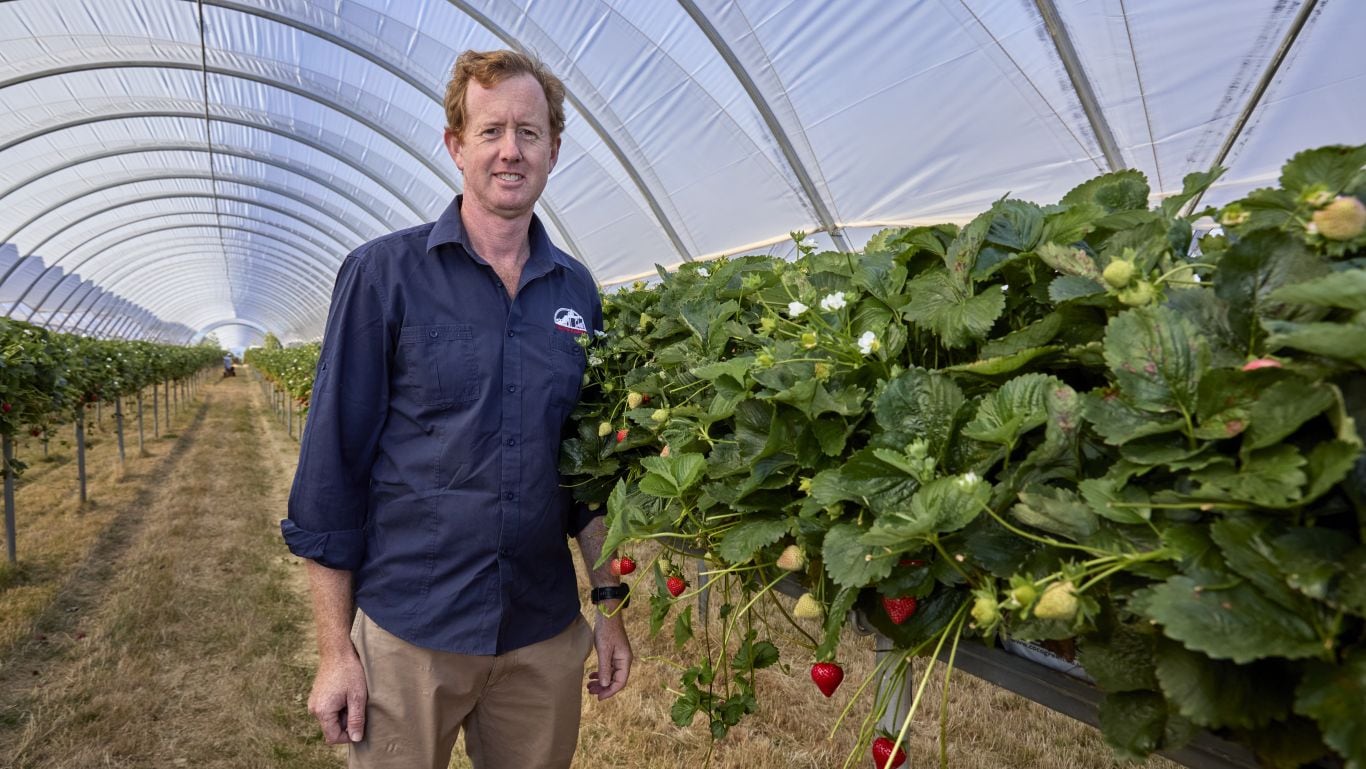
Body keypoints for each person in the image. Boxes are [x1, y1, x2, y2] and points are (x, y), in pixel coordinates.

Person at [281, 49, 631, 769]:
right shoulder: (384, 276)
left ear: (553, 150)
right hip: (412, 629)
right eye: (492, 130)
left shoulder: (578, 293)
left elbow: (587, 472)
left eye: (530, 133)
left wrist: (610, 605)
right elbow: (331, 470)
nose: (511, 150)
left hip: (539, 629)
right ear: (456, 145)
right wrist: (334, 648)